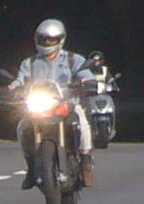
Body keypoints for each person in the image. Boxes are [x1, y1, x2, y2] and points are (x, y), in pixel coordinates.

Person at [14, 18, 94, 188]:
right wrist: (12, 88)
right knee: (21, 126)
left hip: (66, 104)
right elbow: (19, 80)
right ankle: (30, 168)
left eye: (52, 40)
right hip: (39, 106)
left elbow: (85, 75)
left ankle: (86, 161)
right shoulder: (30, 63)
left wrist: (87, 81)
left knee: (82, 122)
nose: (48, 43)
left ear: (61, 40)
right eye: (45, 39)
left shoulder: (73, 60)